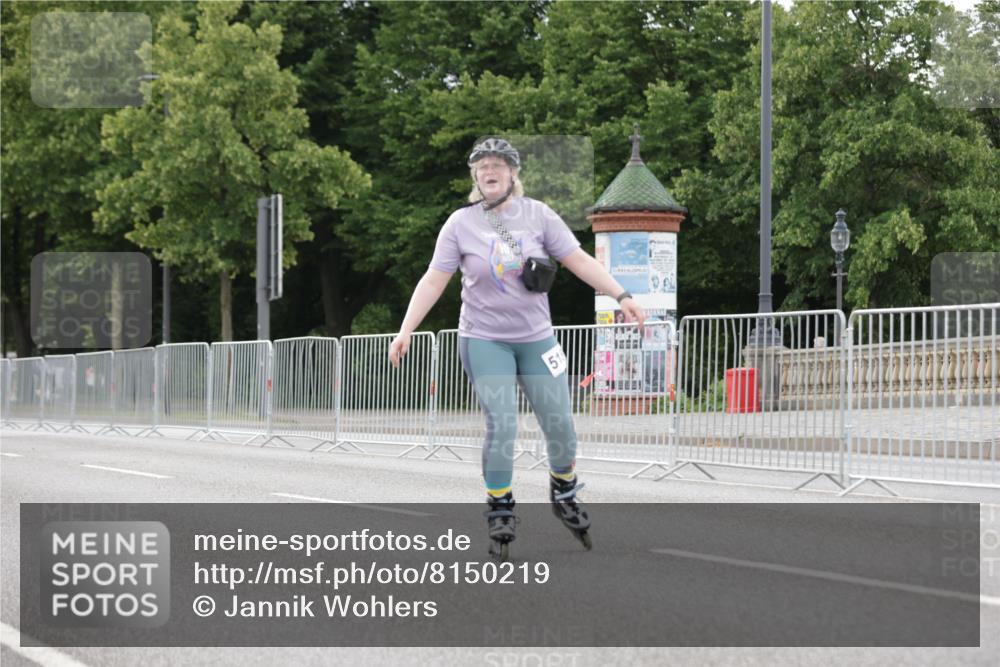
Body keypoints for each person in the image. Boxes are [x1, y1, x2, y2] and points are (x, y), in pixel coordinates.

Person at [388, 137, 646, 560]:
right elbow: (434, 279)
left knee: (561, 425)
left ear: (512, 173)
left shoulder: (539, 215)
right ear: (475, 177)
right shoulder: (460, 224)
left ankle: (564, 490)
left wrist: (622, 295)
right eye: (482, 166)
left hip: (536, 339)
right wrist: (405, 329)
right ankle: (501, 507)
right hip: (484, 339)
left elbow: (579, 260)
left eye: (498, 164)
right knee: (503, 424)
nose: (490, 171)